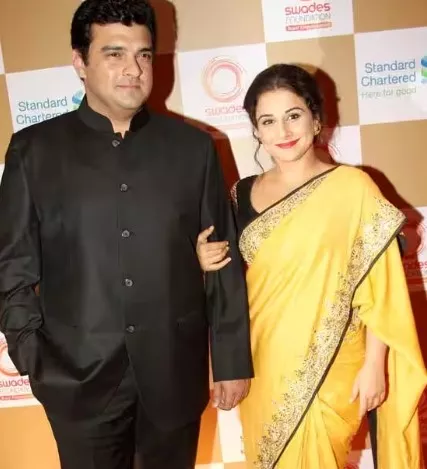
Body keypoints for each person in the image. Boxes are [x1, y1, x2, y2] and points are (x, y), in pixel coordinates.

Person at [0, 1, 253, 468]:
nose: (133, 69)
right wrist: (33, 356)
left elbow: (223, 259)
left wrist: (231, 360)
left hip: (174, 374)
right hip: (76, 381)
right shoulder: (33, 151)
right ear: (80, 61)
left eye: (143, 55)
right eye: (114, 53)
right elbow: (11, 268)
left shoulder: (193, 149)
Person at [196, 64, 427, 469]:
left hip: (333, 363)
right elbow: (227, 285)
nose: (283, 131)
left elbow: (382, 286)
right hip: (263, 360)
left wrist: (375, 365)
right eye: (268, 121)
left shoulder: (354, 188)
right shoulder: (240, 194)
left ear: (316, 119)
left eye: (293, 115)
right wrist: (201, 259)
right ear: (256, 131)